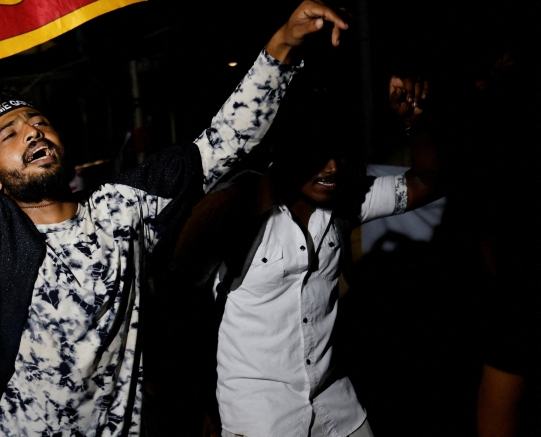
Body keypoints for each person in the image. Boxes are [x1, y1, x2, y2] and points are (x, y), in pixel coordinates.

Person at [0, 0, 348, 436]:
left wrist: (282, 45)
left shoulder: (121, 210)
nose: (32, 131)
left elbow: (224, 141)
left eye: (39, 121)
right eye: (8, 134)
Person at [172, 74, 441, 437]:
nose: (332, 168)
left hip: (336, 406)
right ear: (280, 149)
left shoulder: (345, 199)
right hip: (261, 418)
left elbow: (426, 183)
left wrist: (415, 123)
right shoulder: (234, 207)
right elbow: (181, 303)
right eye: (316, 153)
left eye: (339, 153)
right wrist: (203, 400)